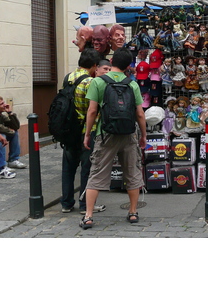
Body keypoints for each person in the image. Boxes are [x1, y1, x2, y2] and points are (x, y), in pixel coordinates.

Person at [81, 48, 147, 229]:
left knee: (96, 173)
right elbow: (140, 114)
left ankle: (88, 216)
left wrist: (88, 134)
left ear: (111, 61)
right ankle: (133, 212)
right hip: (128, 134)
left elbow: (92, 110)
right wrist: (143, 135)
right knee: (132, 172)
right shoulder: (132, 84)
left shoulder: (98, 82)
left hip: (106, 133)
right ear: (128, 66)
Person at [59, 48, 106, 215]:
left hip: (68, 129)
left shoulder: (68, 78)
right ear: (94, 65)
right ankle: (85, 204)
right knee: (88, 168)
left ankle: (66, 203)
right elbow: (92, 110)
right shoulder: (90, 82)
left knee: (68, 168)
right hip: (87, 130)